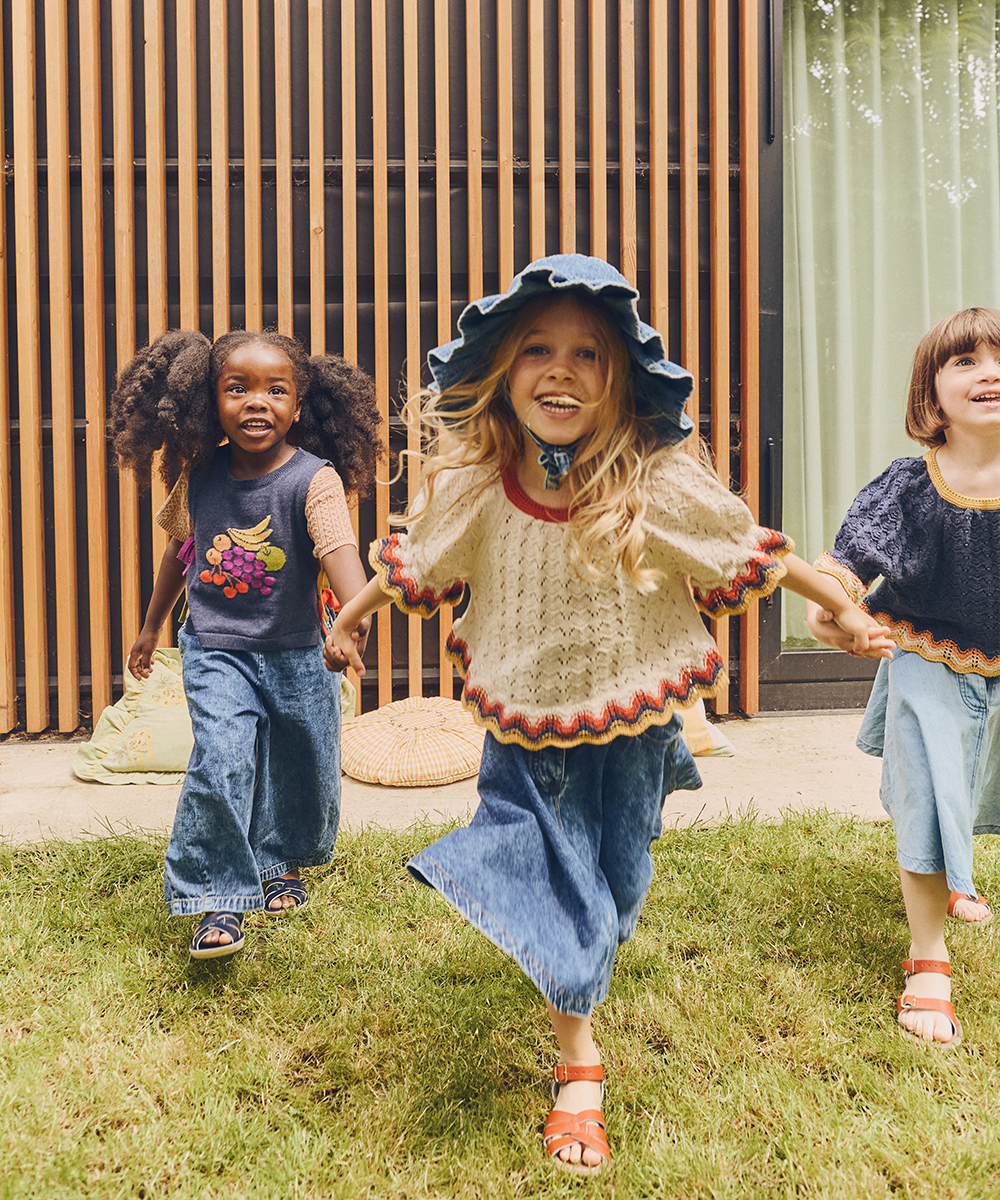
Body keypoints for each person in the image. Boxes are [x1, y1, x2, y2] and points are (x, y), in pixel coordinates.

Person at [325, 255, 892, 1173]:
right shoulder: (479, 484)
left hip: (634, 717)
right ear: (503, 373)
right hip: (522, 719)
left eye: (587, 353)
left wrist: (849, 609)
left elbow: (753, 550)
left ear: (620, 378)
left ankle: (582, 944)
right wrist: (345, 620)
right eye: (538, 350)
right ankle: (577, 1062)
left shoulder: (654, 482)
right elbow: (409, 563)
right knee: (555, 877)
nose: (560, 369)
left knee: (617, 885)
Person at [110, 329, 381, 959]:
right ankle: (215, 898)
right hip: (216, 647)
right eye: (238, 388)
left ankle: (276, 859)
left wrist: (350, 619)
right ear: (210, 400)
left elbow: (340, 555)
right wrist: (152, 627)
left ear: (298, 403)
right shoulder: (199, 477)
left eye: (275, 390)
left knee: (300, 762)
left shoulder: (315, 480)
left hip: (294, 649)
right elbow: (183, 554)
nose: (256, 402)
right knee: (225, 758)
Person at [807, 307, 1000, 1048]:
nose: (987, 371)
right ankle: (928, 957)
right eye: (965, 361)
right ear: (931, 396)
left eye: (998, 358)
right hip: (924, 648)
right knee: (929, 785)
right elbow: (849, 562)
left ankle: (963, 879)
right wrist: (836, 606)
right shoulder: (911, 486)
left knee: (981, 786)